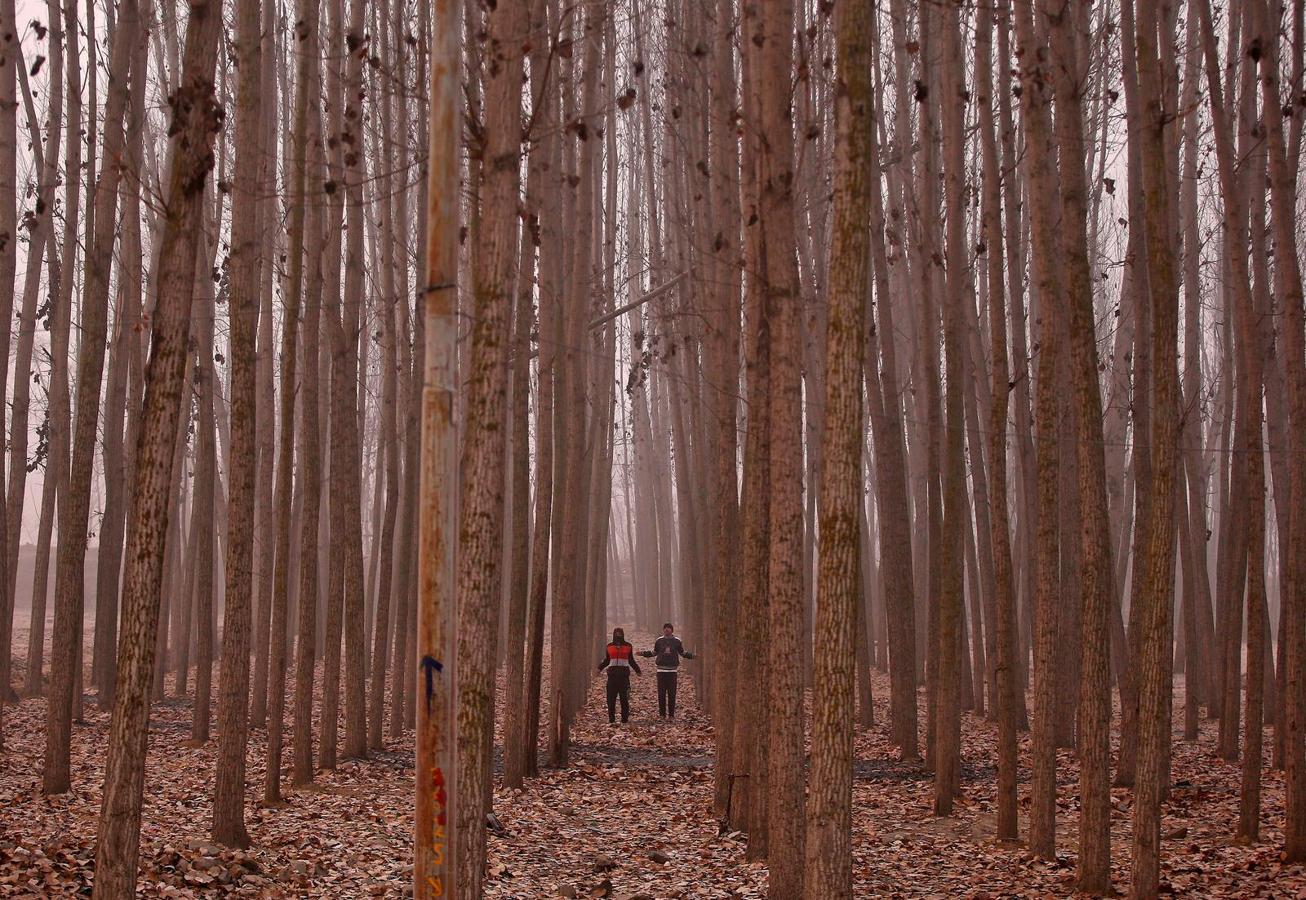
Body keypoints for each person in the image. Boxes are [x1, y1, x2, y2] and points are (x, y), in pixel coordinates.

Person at [639, 623, 694, 719]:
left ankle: (671, 714)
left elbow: (682, 653)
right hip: (660, 671)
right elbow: (654, 652)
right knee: (661, 693)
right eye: (665, 628)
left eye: (668, 628)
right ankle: (662, 714)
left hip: (672, 671)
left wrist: (693, 656)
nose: (666, 630)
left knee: (672, 693)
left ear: (672, 630)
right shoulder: (659, 640)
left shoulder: (677, 641)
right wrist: (643, 653)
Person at [597, 627, 641, 725]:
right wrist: (599, 668)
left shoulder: (628, 646)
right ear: (614, 634)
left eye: (620, 633)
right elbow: (607, 660)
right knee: (610, 699)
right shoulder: (609, 646)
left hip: (624, 676)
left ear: (622, 634)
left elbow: (631, 660)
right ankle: (611, 719)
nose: (618, 635)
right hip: (612, 676)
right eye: (616, 633)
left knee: (624, 699)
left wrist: (637, 670)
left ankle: (624, 719)